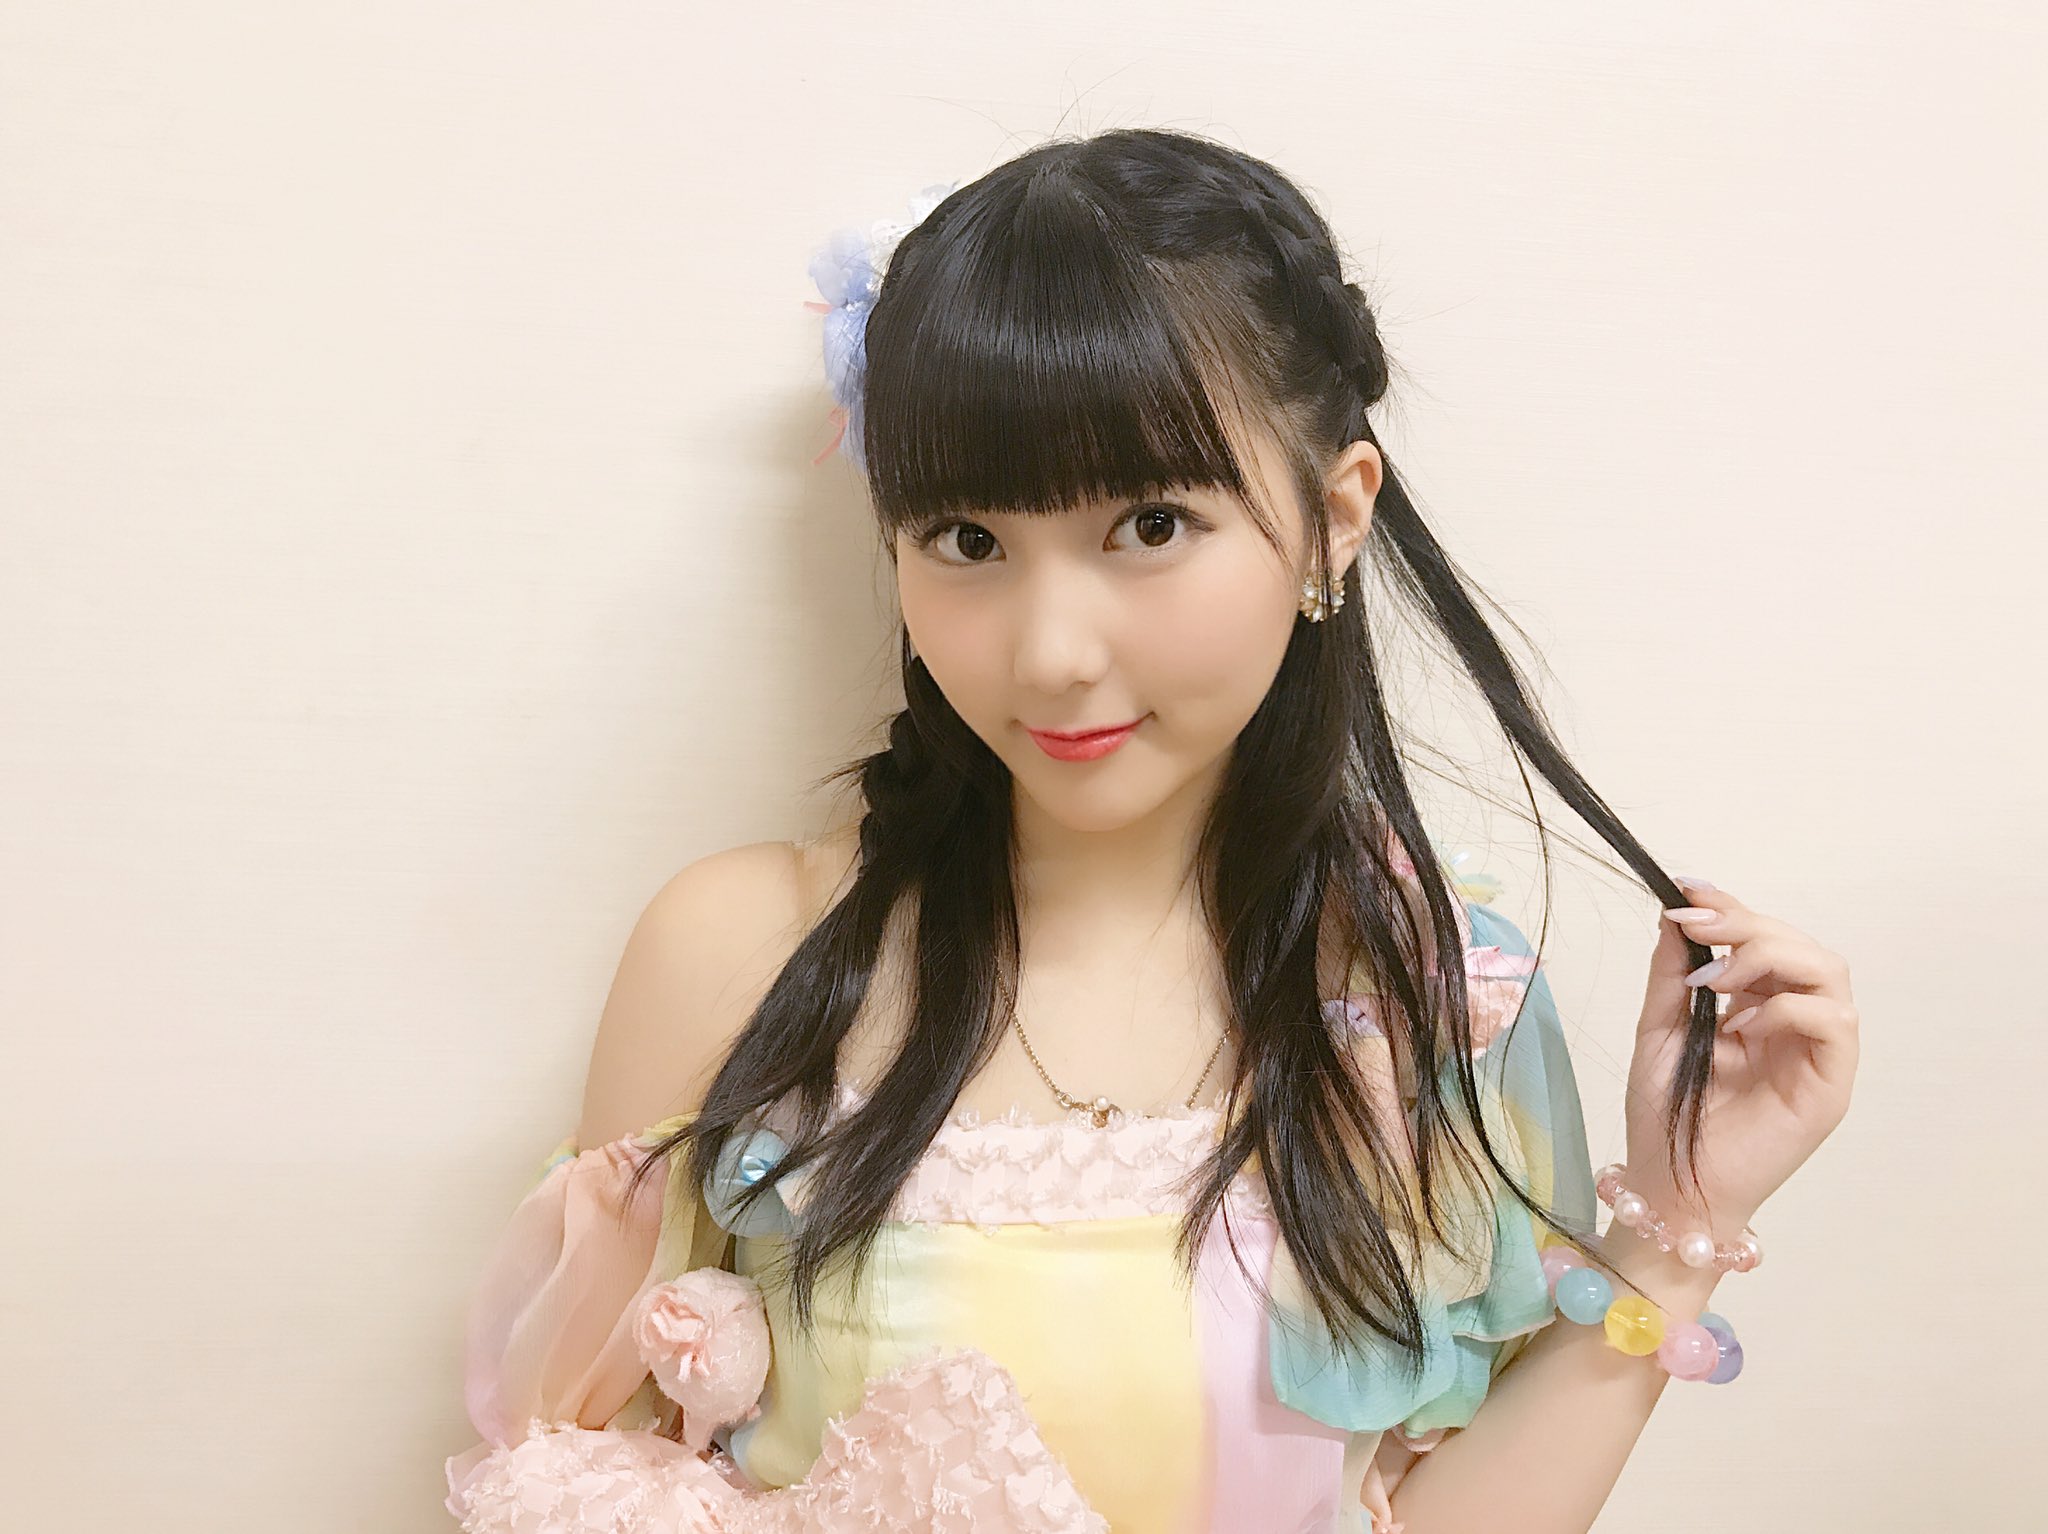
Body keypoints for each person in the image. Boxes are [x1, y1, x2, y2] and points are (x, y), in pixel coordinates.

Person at [441, 128, 1859, 1534]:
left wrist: (1679, 1223)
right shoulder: (742, 949)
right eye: (968, 541)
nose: (1052, 654)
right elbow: (575, 1481)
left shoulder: (1436, 989)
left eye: (1152, 524)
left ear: (1333, 518)